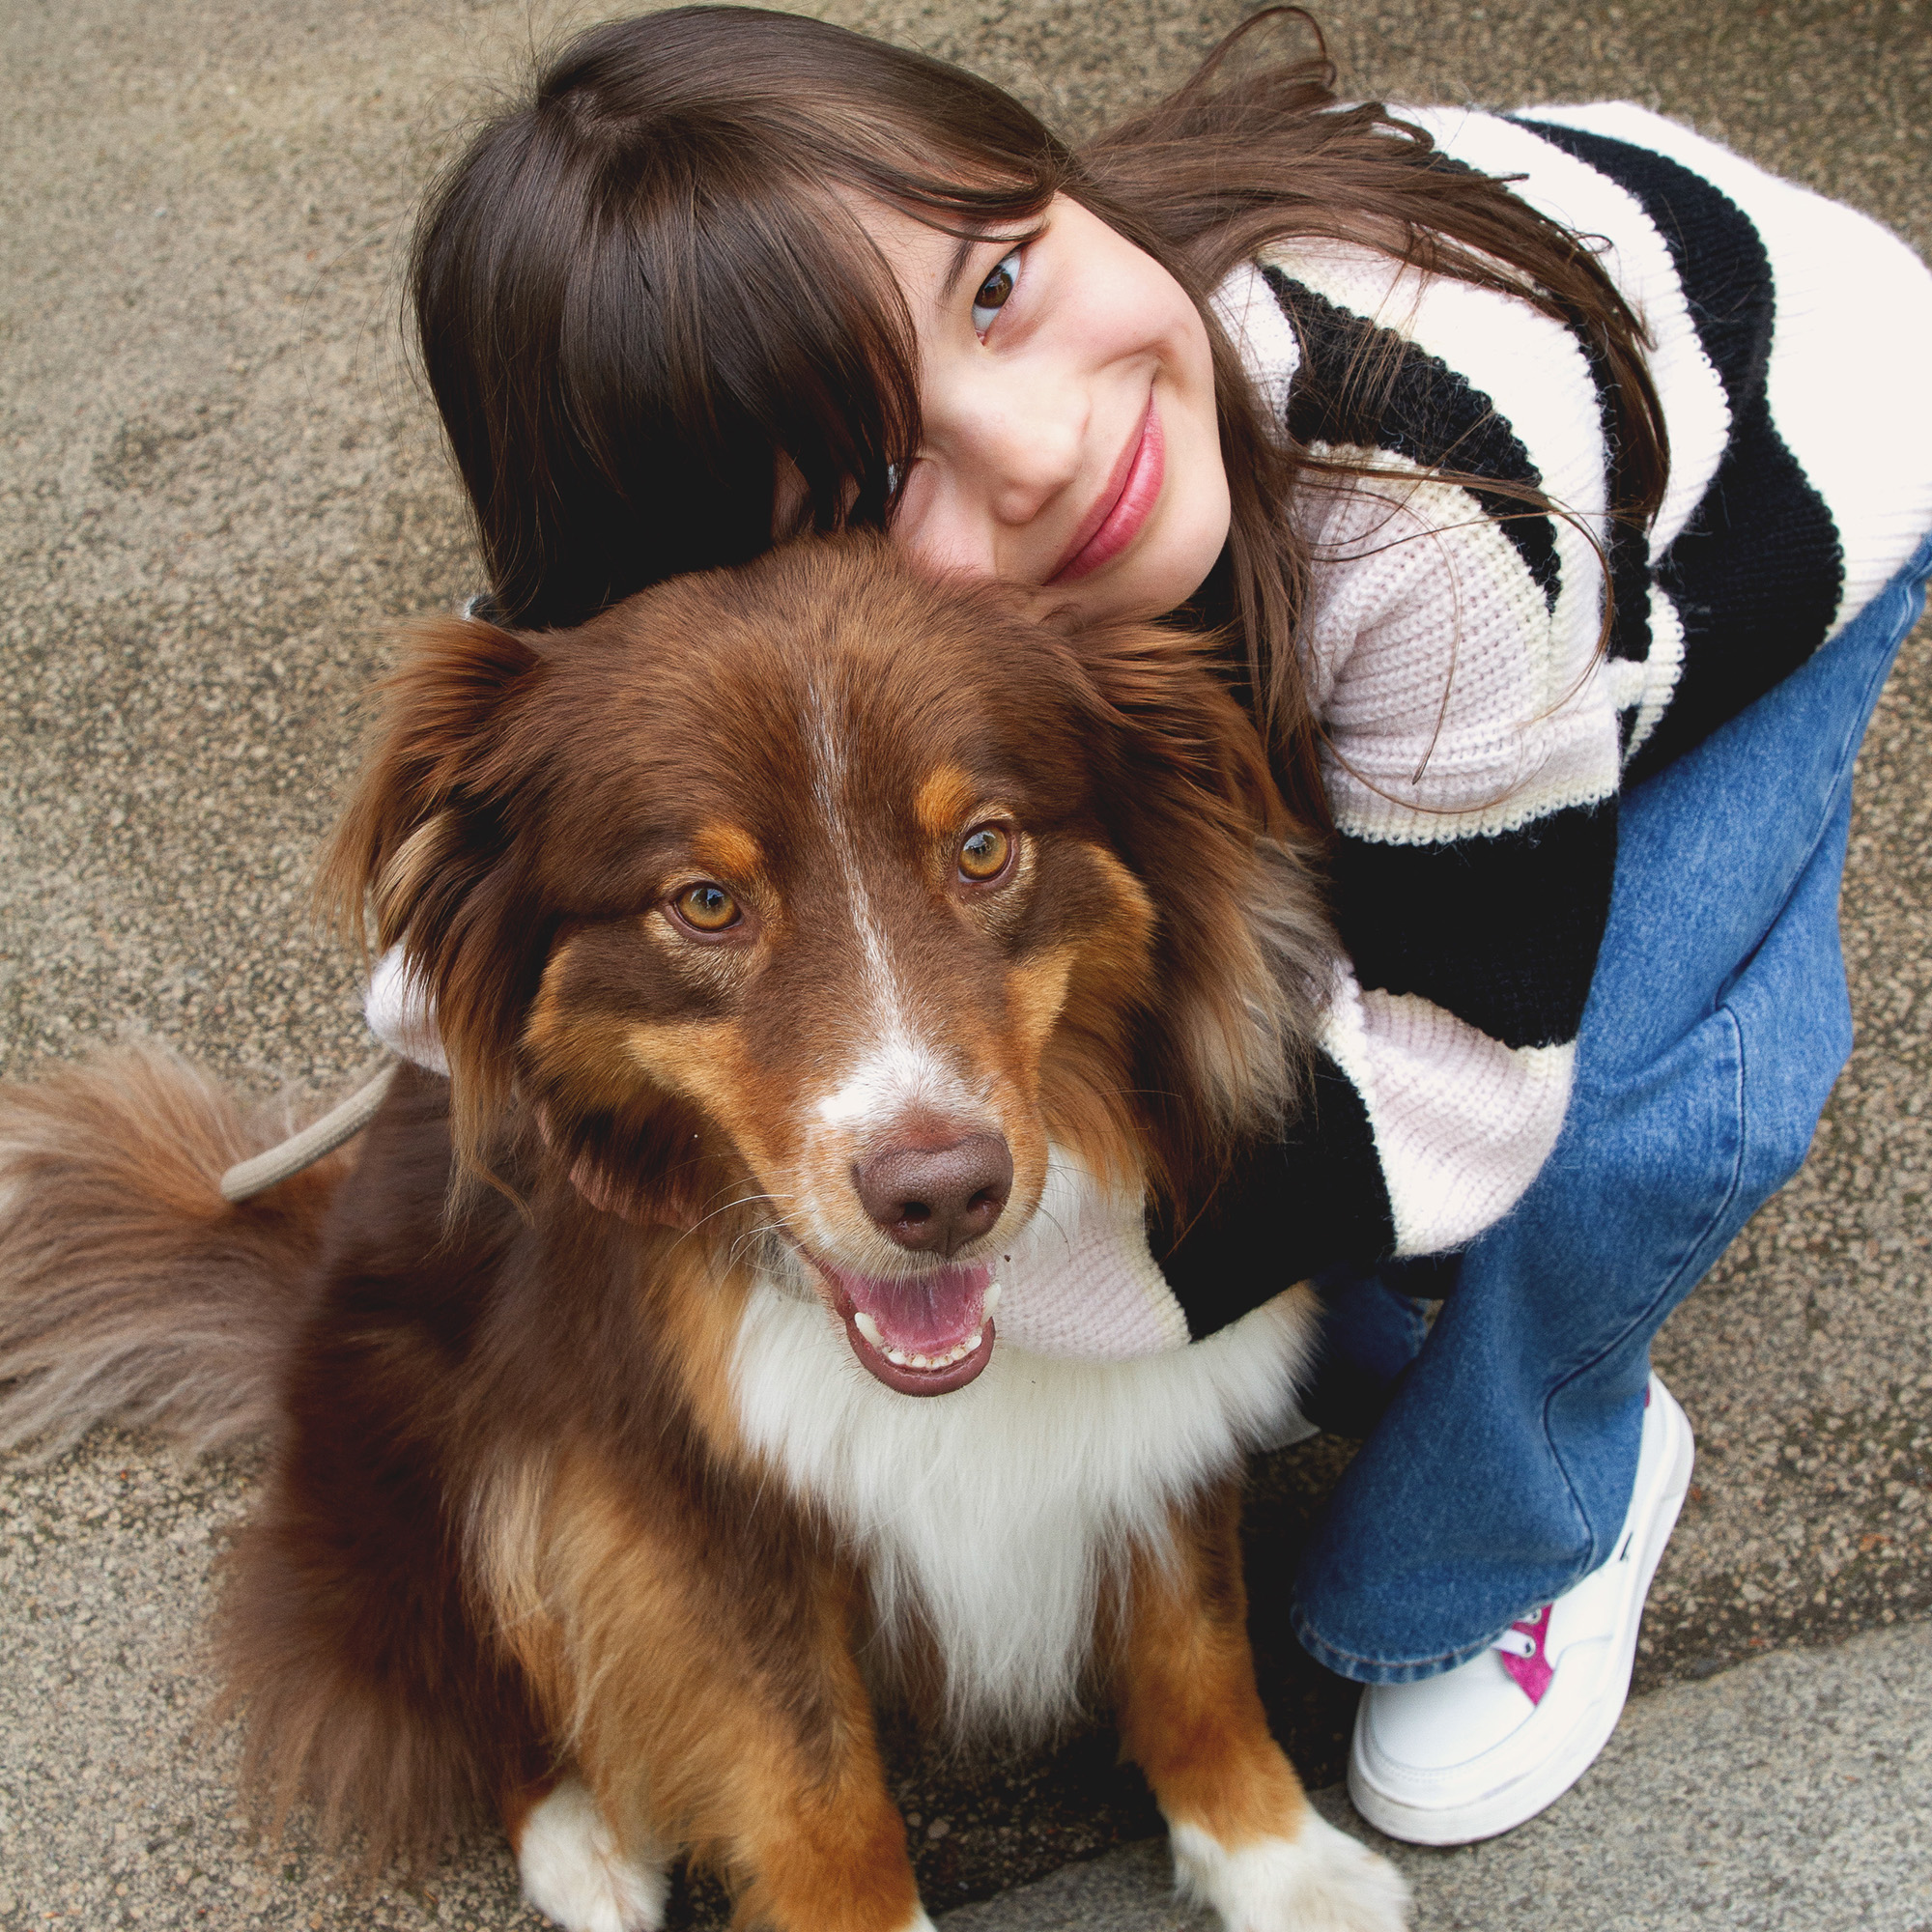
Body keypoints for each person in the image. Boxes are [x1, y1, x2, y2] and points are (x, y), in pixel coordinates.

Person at [369, 1, 1932, 1849]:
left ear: (1038, 179)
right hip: (1268, 627)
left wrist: (967, 1262)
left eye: (1001, 287)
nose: (1039, 447)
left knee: (1599, 1122)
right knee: (1229, 1071)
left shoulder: (1428, 478)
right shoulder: (732, 545)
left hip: (1717, 527)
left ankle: (1541, 1502)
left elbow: (1457, 1089)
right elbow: (471, 906)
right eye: (877, 484)